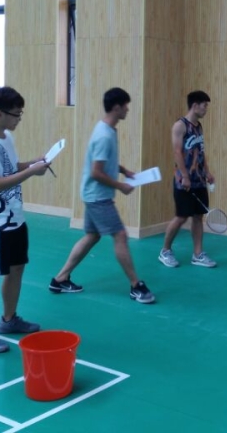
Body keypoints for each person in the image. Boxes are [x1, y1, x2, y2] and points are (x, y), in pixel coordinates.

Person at [49, 87, 155, 303]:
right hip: (98, 196)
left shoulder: (107, 129)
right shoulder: (104, 135)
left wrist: (124, 171)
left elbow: (105, 161)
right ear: (116, 108)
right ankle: (136, 285)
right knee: (120, 235)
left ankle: (59, 279)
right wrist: (121, 186)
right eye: (125, 106)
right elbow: (96, 172)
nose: (127, 109)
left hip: (92, 194)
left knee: (92, 235)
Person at [0, 86, 50, 353]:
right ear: (0, 114)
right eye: (16, 114)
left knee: (16, 269)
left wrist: (33, 164)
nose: (19, 119)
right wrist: (32, 172)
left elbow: (10, 168)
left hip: (14, 219)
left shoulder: (6, 137)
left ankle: (9, 319)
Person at [158, 90, 217, 268]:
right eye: (204, 105)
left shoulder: (199, 126)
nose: (206, 109)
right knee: (181, 217)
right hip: (183, 182)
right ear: (195, 105)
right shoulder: (180, 126)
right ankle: (165, 251)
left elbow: (201, 151)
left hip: (199, 180)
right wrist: (184, 176)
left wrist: (207, 172)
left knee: (198, 216)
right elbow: (177, 153)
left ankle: (198, 254)